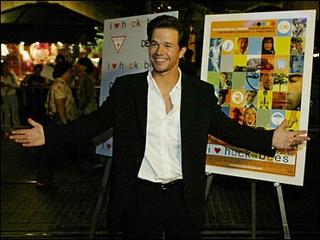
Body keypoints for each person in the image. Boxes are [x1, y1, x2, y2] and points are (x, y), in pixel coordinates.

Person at [10, 15, 310, 239]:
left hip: (183, 196)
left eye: (167, 45)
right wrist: (49, 134)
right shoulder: (127, 89)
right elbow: (92, 124)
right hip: (139, 197)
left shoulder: (199, 93)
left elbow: (230, 130)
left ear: (181, 51)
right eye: (154, 43)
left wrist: (272, 138)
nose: (159, 51)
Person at [1, 60, 21, 132]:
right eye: (4, 67)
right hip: (3, 96)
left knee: (14, 112)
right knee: (6, 113)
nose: (6, 68)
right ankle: (7, 129)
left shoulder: (11, 75)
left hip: (12, 95)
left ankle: (17, 128)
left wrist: (10, 85)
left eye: (7, 67)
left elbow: (17, 85)